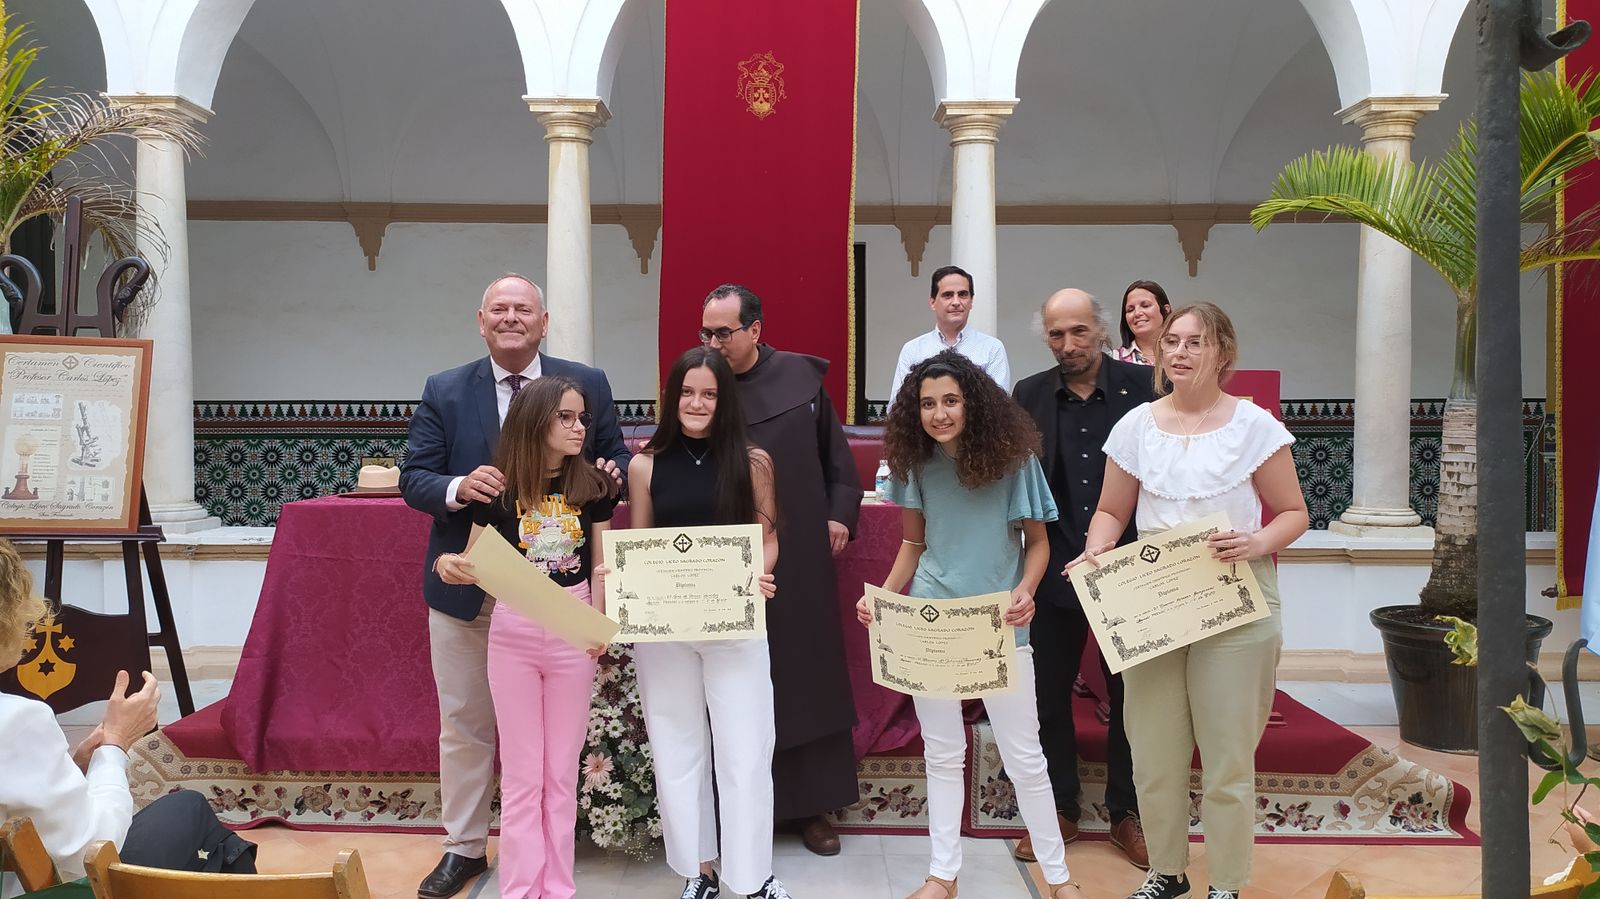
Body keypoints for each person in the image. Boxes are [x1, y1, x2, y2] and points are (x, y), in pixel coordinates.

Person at [399, 273, 630, 899]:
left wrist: (614, 471)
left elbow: (615, 469)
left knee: (551, 761)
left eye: (522, 308)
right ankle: (464, 849)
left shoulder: (585, 386)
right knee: (466, 722)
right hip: (477, 592)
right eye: (497, 309)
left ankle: (550, 870)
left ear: (544, 320)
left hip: (563, 605)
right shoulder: (445, 390)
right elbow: (414, 476)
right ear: (480, 320)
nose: (510, 318)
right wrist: (457, 488)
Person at [1068, 302, 1308, 899]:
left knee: (1228, 755)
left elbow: (1296, 513)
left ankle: (1225, 883)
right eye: (1171, 341)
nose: (1178, 351)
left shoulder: (1254, 427)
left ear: (1222, 352)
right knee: (1152, 749)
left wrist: (1257, 541)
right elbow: (1110, 511)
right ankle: (1166, 873)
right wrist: (1097, 551)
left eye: (1194, 342)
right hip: (1155, 597)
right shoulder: (1137, 426)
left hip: (1236, 592)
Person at [855, 350, 1082, 899]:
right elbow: (914, 543)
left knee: (1024, 754)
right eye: (928, 403)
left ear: (972, 403)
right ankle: (942, 875)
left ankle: (1058, 879)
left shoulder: (1014, 461)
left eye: (950, 401)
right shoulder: (914, 464)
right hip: (934, 621)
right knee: (941, 752)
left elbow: (1039, 543)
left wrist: (1025, 590)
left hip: (997, 623)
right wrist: (882, 597)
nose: (939, 413)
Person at [431, 377, 615, 899]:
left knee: (560, 772)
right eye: (566, 418)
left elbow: (601, 565)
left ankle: (558, 887)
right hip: (512, 631)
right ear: (536, 422)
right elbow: (467, 562)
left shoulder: (596, 488)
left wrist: (597, 625)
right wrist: (450, 565)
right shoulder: (499, 492)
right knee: (520, 773)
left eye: (582, 418)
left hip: (572, 627)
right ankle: (518, 889)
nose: (579, 427)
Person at [617, 347, 789, 899]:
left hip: (734, 624)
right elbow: (641, 544)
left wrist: (756, 577)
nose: (697, 403)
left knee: (745, 751)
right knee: (677, 748)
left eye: (709, 394)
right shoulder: (644, 465)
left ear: (725, 399)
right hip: (664, 632)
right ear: (672, 398)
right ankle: (701, 869)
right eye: (687, 392)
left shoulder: (754, 460)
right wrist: (621, 575)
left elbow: (767, 541)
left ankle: (754, 877)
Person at [700, 283, 861, 856]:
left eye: (724, 333)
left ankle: (811, 807)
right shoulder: (700, 386)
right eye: (706, 334)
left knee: (801, 673)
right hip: (722, 557)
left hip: (798, 557)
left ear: (756, 330)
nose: (713, 344)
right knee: (731, 679)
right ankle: (737, 806)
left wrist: (840, 517)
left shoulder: (802, 381)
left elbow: (838, 465)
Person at [0, 539, 255, 899]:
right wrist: (115, 746)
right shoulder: (18, 719)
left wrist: (70, 767)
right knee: (190, 811)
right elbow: (90, 849)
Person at [1011, 289, 1150, 869]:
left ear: (1100, 329)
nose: (1067, 345)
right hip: (1054, 564)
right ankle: (1059, 809)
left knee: (1133, 698)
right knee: (1047, 696)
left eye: (1078, 332)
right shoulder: (1030, 394)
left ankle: (1127, 813)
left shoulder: (1146, 389)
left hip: (1132, 568)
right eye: (1055, 335)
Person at [887, 265, 1011, 407]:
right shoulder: (913, 350)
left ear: (971, 301)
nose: (956, 302)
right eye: (948, 295)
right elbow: (896, 407)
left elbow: (999, 406)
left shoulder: (992, 348)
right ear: (932, 302)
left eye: (963, 294)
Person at [1113, 280, 1172, 366]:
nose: (1137, 313)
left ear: (1166, 310)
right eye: (1130, 309)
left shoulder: (1183, 355)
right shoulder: (1113, 360)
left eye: (1145, 306)